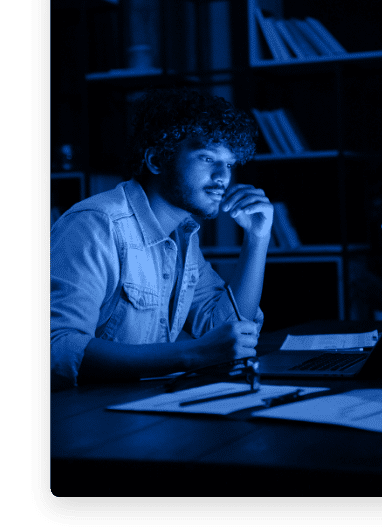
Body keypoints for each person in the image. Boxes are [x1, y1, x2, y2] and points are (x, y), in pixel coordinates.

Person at [50, 88, 273, 390]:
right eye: (207, 158)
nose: (223, 177)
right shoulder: (97, 225)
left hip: (144, 410)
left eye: (230, 163)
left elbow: (225, 333)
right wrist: (190, 355)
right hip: (83, 422)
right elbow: (57, 349)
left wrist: (257, 239)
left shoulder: (183, 234)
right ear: (157, 160)